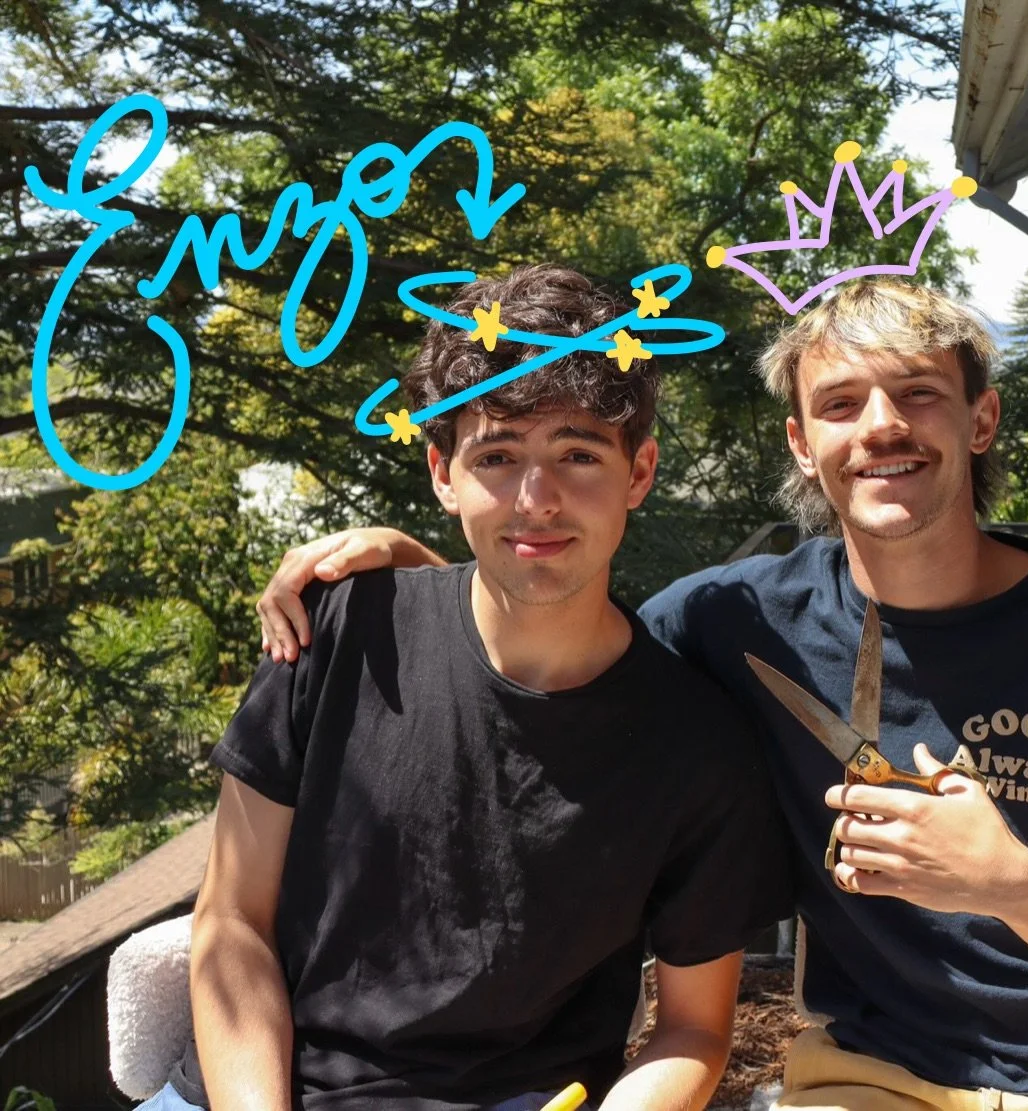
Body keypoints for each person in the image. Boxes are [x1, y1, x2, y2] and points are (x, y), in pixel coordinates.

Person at [257, 279, 1028, 1111]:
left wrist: (1007, 881)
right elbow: (552, 643)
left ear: (980, 417)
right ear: (800, 442)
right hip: (877, 1073)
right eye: (840, 404)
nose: (880, 429)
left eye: (915, 393)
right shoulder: (732, 619)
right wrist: (413, 578)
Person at [159, 265, 790, 1111]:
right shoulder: (338, 632)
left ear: (638, 473)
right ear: (441, 472)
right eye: (497, 455)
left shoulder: (699, 745)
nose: (538, 499)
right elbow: (232, 921)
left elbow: (693, 1028)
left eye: (578, 453)